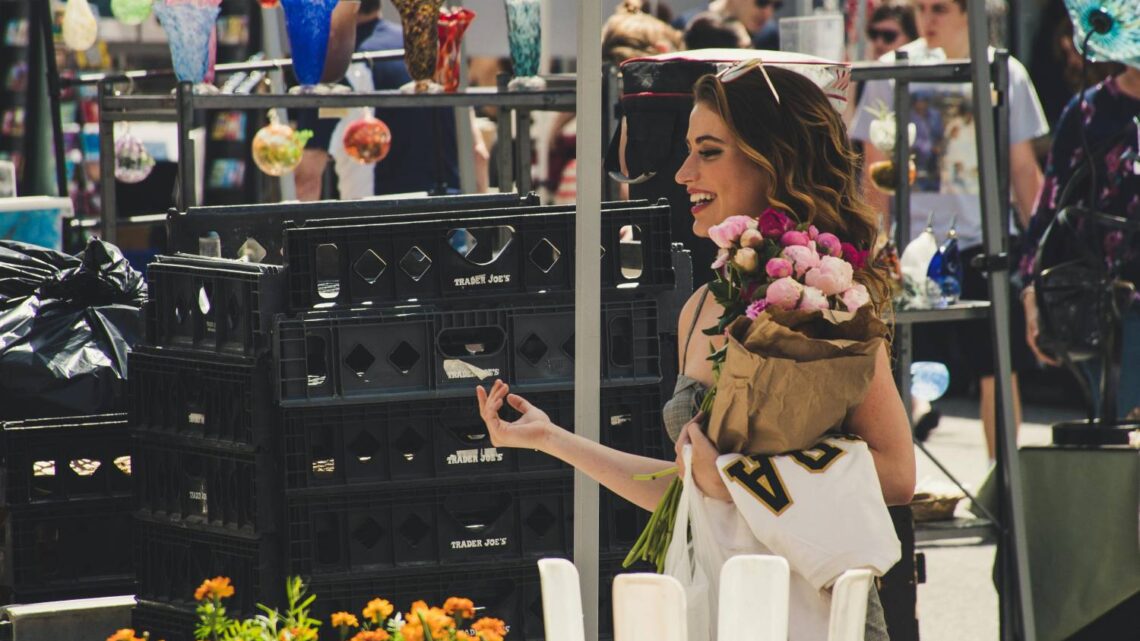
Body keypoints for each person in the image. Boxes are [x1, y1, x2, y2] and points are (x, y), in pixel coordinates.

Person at [477, 64, 915, 640]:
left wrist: (732, 477)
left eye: (707, 152)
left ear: (771, 158)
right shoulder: (699, 308)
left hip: (816, 614)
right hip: (711, 604)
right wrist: (547, 438)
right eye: (688, 151)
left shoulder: (829, 303)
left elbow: (896, 475)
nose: (683, 173)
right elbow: (691, 490)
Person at [851, 0, 1049, 460]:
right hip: (907, 248)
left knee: (997, 368)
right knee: (890, 370)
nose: (927, 19)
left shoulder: (1005, 70)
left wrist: (1039, 254)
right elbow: (874, 171)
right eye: (920, 8)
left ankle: (1003, 479)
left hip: (983, 242)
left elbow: (1024, 170)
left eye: (939, 7)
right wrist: (873, 246)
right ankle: (898, 489)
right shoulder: (891, 69)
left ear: (969, 12)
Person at [1020, 64, 1140, 420]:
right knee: (1122, 428)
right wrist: (1032, 292)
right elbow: (1051, 207)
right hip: (1104, 301)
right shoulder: (1088, 111)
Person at [293, 0, 479, 200]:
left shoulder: (337, 70)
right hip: (452, 216)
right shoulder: (430, 50)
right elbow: (478, 153)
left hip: (380, 221)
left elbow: (307, 179)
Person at [672, 0, 781, 50]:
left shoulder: (769, 34)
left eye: (777, 5)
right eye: (761, 2)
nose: (768, 13)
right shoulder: (686, 23)